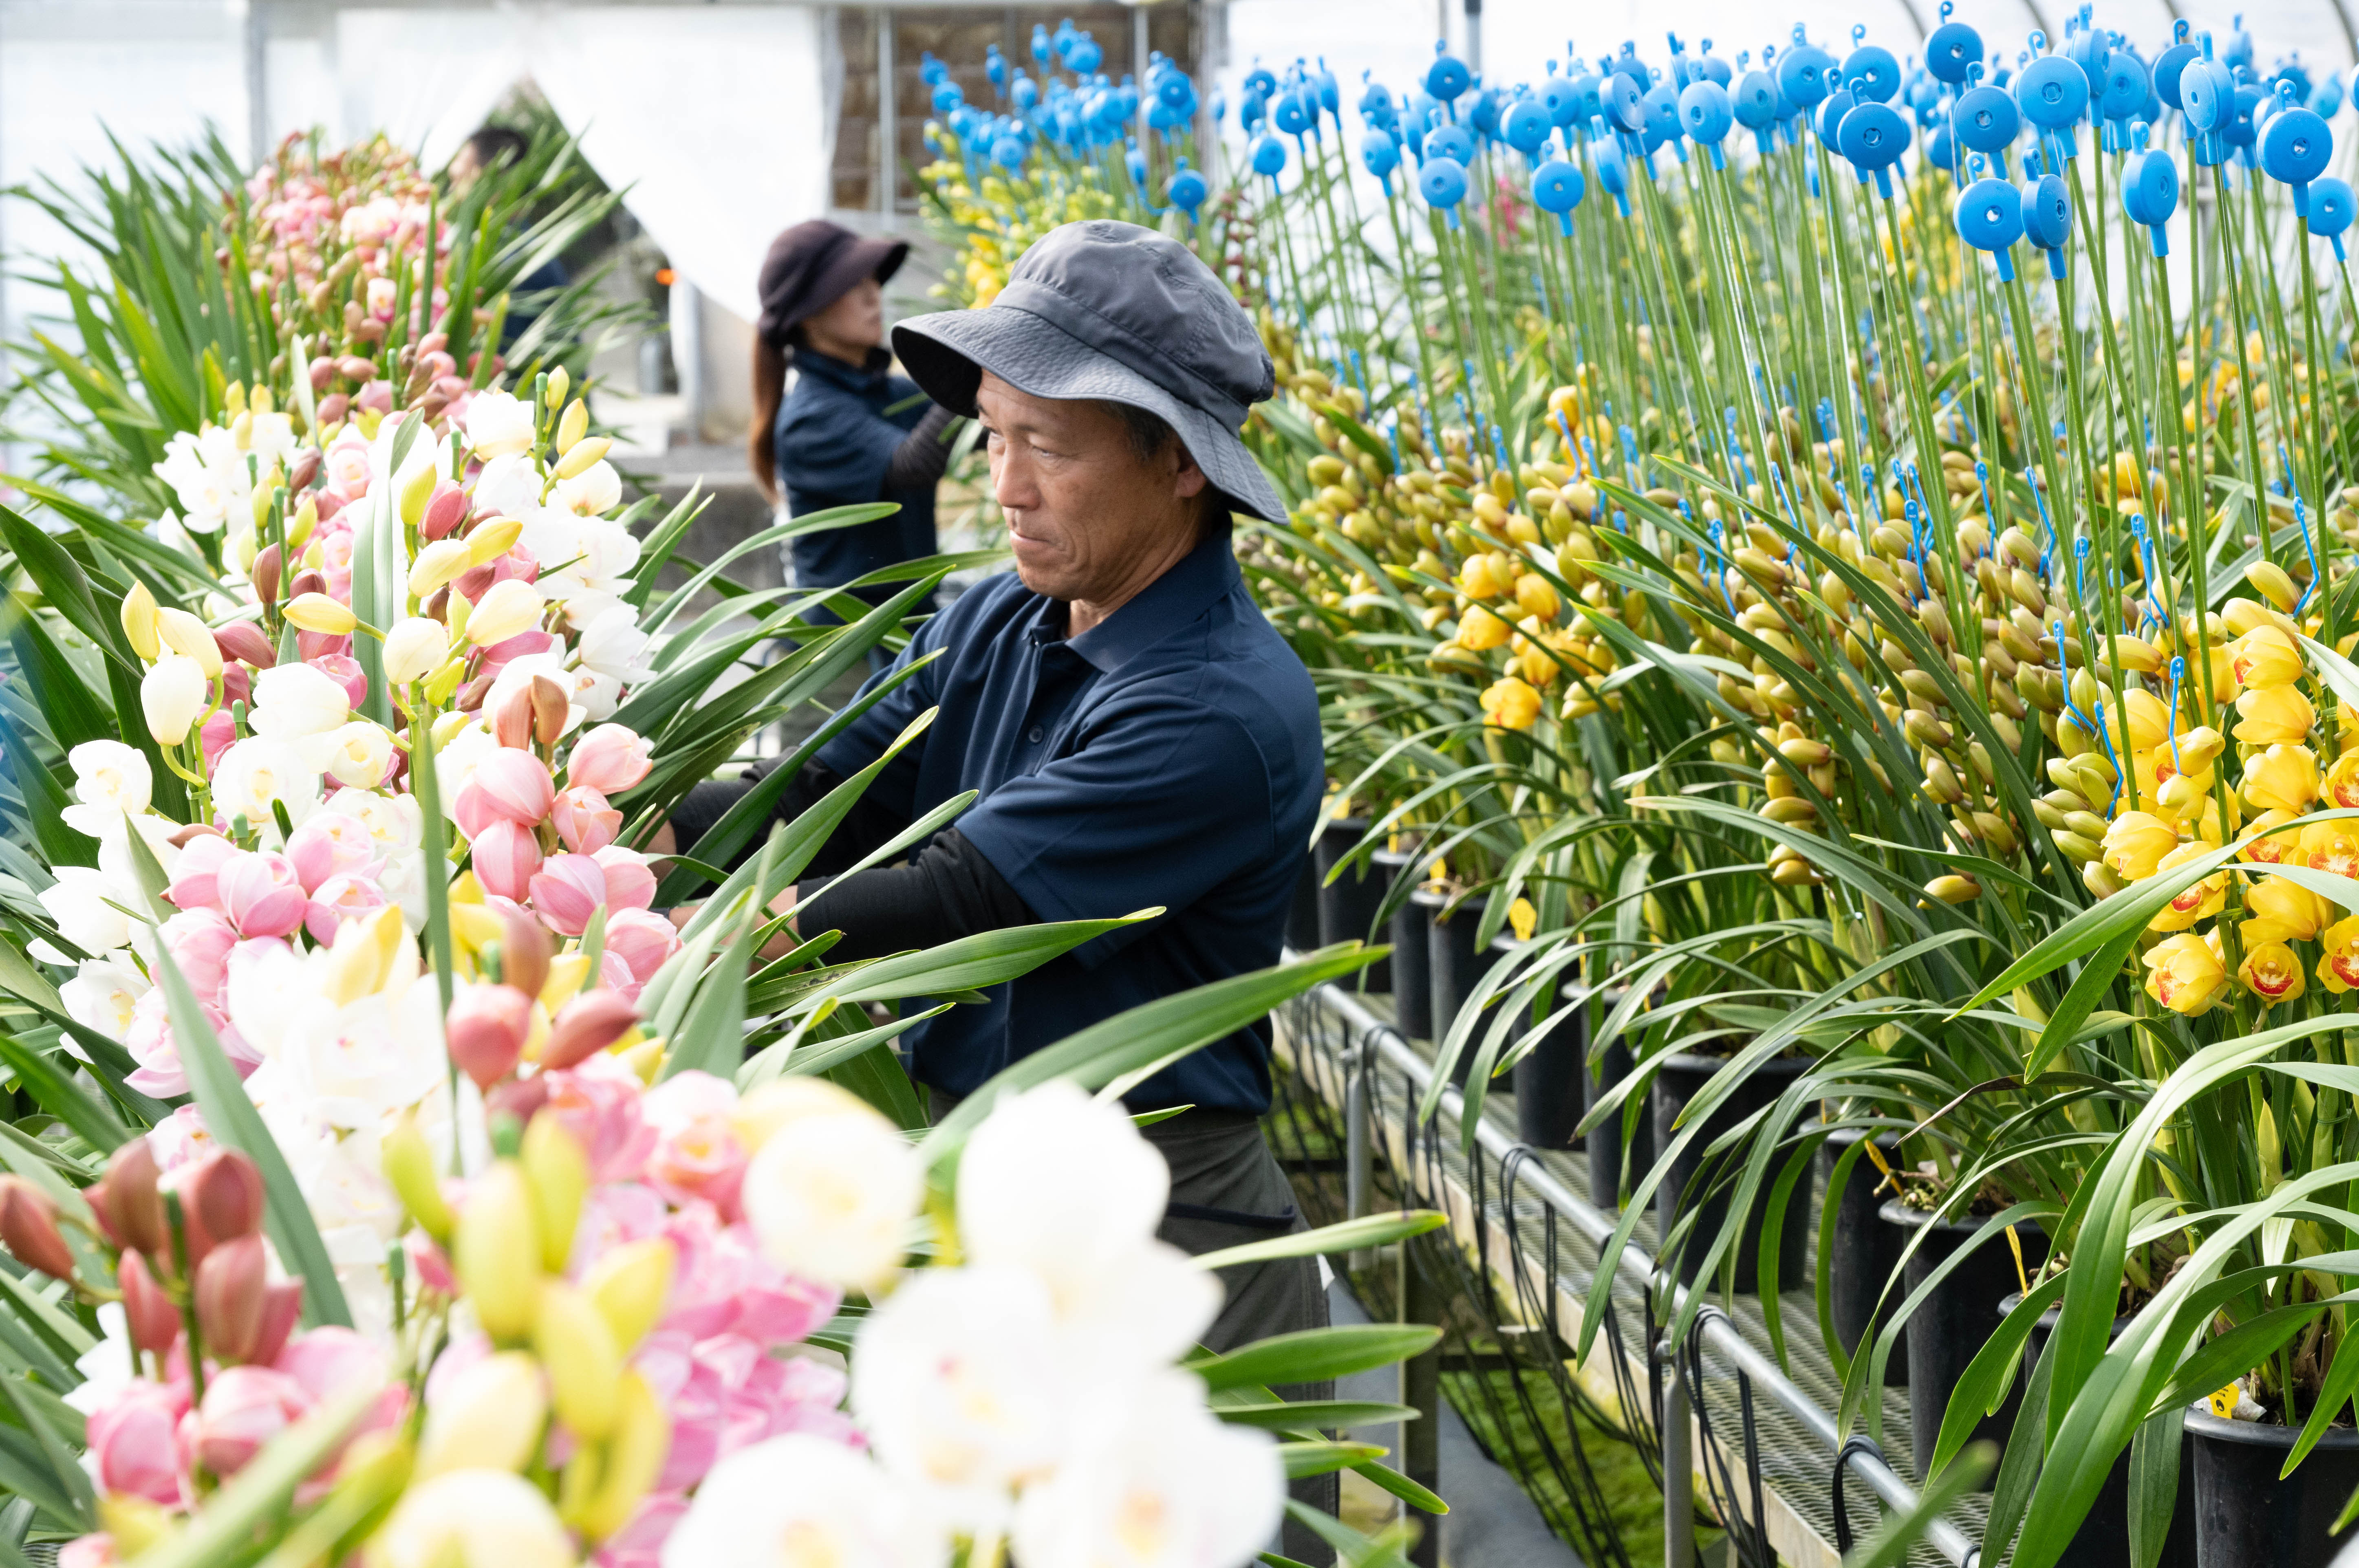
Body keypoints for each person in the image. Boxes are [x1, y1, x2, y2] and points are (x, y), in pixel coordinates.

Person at [662, 223, 1331, 1491]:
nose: (1006, 485)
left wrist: (704, 940)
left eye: (1049, 447)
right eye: (994, 436)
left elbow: (956, 894)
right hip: (987, 1184)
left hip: (1158, 1231)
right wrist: (624, 820)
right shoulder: (1004, 613)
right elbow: (833, 782)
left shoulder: (1221, 707)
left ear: (1179, 464)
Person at [750, 220, 959, 645]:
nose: (873, 295)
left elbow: (972, 418)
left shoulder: (885, 392)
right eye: (852, 284)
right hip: (839, 654)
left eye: (873, 280)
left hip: (902, 632)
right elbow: (914, 463)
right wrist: (975, 366)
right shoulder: (811, 418)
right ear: (808, 314)